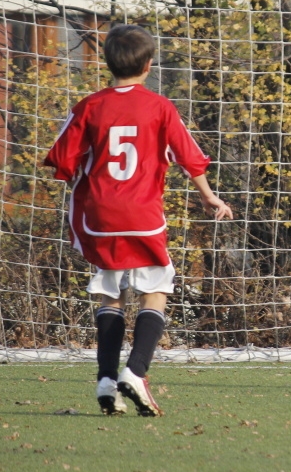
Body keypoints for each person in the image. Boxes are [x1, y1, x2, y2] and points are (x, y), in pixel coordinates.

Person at [44, 24, 231, 418]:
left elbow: (61, 159)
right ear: (148, 65)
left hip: (99, 217)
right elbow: (188, 156)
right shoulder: (160, 107)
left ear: (108, 64)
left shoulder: (90, 105)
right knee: (157, 289)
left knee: (110, 294)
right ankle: (137, 371)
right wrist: (209, 196)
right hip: (142, 215)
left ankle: (106, 380)